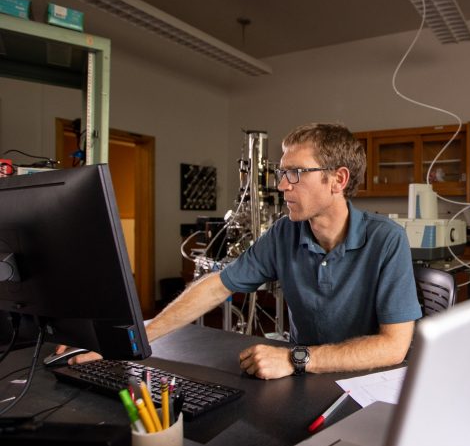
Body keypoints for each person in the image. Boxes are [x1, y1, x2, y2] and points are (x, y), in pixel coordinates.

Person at [62, 122, 422, 379]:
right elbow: (219, 284)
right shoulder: (286, 232)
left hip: (368, 383)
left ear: (338, 180)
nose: (282, 185)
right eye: (281, 173)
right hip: (302, 376)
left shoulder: (386, 239)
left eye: (295, 173)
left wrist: (296, 358)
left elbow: (393, 347)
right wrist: (130, 340)